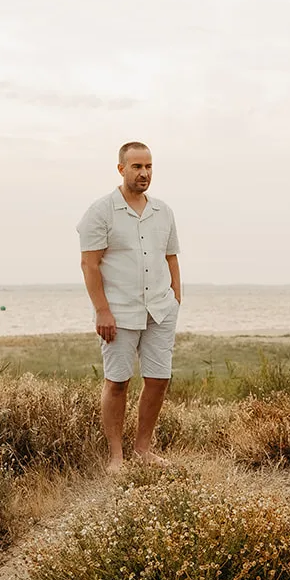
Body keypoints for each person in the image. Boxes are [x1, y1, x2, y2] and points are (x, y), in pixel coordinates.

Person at [77, 141, 182, 472]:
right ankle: (116, 457)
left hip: (160, 310)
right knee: (118, 382)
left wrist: (176, 297)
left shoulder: (163, 212)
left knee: (158, 379)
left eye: (149, 166)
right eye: (137, 167)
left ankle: (142, 450)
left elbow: (171, 257)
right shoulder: (100, 211)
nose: (144, 173)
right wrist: (102, 310)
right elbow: (89, 265)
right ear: (121, 169)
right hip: (119, 312)